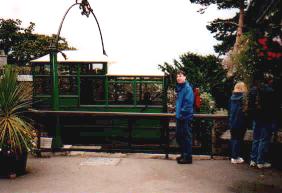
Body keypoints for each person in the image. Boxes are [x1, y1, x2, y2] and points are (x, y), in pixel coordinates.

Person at [249, 73, 277, 169]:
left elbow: (250, 105)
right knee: (264, 139)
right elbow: (272, 107)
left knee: (256, 139)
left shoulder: (253, 89)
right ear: (269, 80)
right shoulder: (270, 91)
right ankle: (260, 161)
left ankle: (253, 160)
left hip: (256, 118)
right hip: (266, 118)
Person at [175, 70, 194, 164]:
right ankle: (183, 155)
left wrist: (181, 114)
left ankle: (187, 157)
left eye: (180, 76)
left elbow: (188, 103)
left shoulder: (187, 88)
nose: (178, 77)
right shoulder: (180, 88)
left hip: (185, 117)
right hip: (180, 117)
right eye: (177, 76)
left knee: (186, 137)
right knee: (179, 136)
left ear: (185, 77)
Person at [228, 82, 248, 164]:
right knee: (239, 139)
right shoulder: (244, 98)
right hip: (241, 121)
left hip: (232, 121)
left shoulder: (232, 97)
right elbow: (245, 111)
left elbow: (229, 109)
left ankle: (233, 156)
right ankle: (236, 156)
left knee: (233, 138)